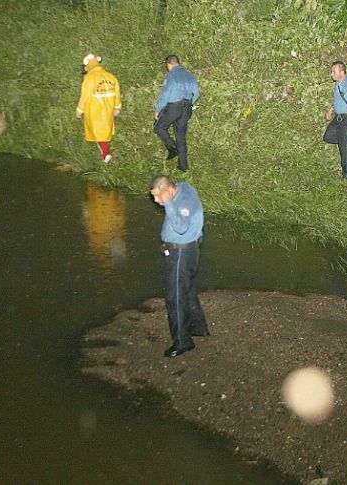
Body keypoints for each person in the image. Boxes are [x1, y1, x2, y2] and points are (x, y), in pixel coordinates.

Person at [149, 175, 209, 358]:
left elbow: (181, 227)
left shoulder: (182, 201)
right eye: (153, 197)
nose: (156, 201)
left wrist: (168, 204)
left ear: (169, 190)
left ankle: (182, 342)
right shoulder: (183, 188)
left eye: (158, 196)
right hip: (185, 252)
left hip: (181, 254)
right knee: (187, 290)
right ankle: (198, 328)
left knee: (175, 297)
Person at [154, 55, 200, 171]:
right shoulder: (189, 75)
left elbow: (165, 95)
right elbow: (196, 93)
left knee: (159, 127)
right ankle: (183, 166)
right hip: (187, 108)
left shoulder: (171, 76)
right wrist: (189, 103)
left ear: (168, 64)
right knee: (181, 136)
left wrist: (158, 110)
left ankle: (172, 148)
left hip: (174, 107)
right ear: (178, 63)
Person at [76, 53, 121, 164]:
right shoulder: (110, 76)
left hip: (95, 110)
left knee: (98, 134)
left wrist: (79, 110)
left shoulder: (90, 78)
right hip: (108, 109)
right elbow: (117, 93)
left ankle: (105, 155)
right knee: (103, 133)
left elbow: (84, 96)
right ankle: (105, 154)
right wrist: (117, 107)